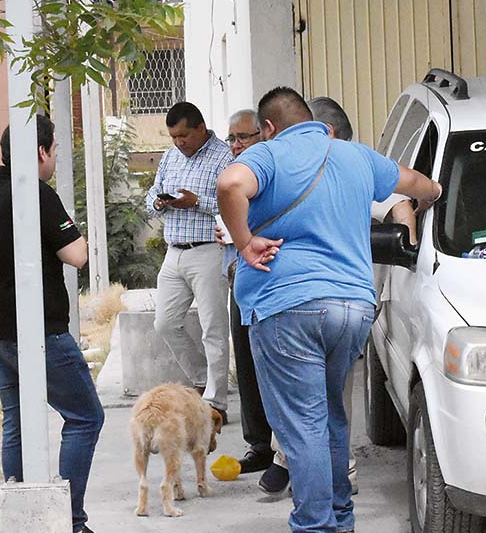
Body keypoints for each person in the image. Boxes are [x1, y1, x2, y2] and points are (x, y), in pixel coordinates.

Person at [217, 87, 441, 533]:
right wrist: (425, 202)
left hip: (288, 307)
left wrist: (244, 242)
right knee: (331, 417)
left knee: (303, 427)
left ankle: (315, 525)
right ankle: (340, 518)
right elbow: (423, 185)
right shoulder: (357, 156)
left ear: (268, 127)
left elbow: (229, 185)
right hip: (352, 309)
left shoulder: (269, 155)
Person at [0, 115, 101, 533]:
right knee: (85, 417)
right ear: (41, 152)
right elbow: (77, 255)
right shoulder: (38, 194)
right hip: (40, 333)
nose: (55, 158)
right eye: (55, 150)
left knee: (18, 422)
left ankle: (22, 519)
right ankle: (68, 520)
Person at [256, 96, 365, 496]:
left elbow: (399, 203)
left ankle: (321, 501)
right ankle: (320, 490)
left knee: (319, 407)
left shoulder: (351, 163)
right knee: (312, 404)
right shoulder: (290, 167)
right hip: (325, 304)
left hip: (325, 303)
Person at [145, 101, 235, 423]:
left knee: (213, 328)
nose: (179, 142)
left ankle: (216, 402)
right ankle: (201, 378)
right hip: (174, 251)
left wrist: (197, 202)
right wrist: (158, 202)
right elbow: (152, 193)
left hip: (209, 250)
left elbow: (233, 203)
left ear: (201, 128)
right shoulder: (170, 157)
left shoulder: (224, 157)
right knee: (165, 323)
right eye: (173, 137)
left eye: (184, 135)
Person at [222, 107, 275, 474]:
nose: (236, 144)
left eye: (243, 137)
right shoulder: (234, 172)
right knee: (245, 362)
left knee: (275, 365)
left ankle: (284, 450)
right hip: (241, 276)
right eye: (232, 138)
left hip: (273, 278)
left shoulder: (274, 169)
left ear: (264, 133)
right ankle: (259, 444)